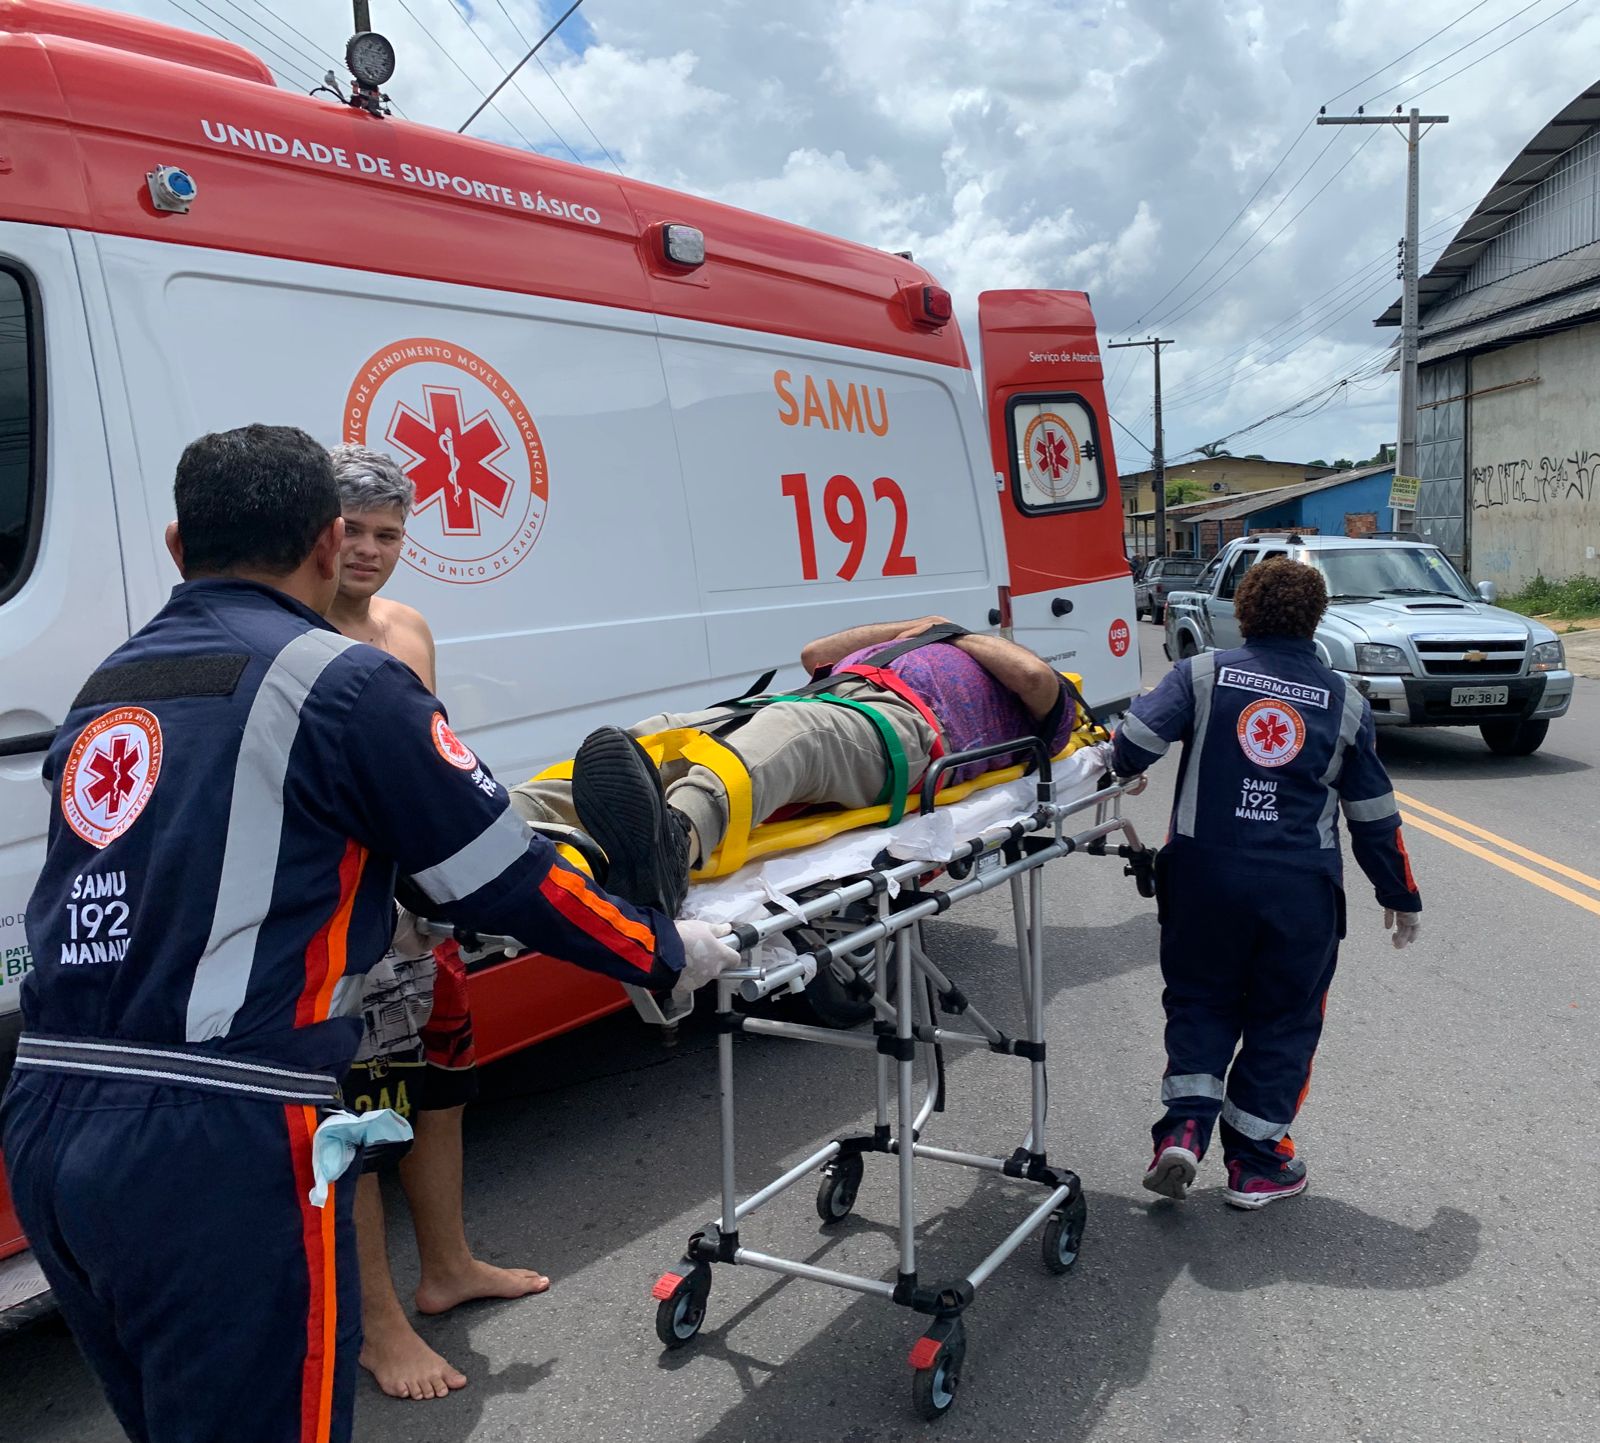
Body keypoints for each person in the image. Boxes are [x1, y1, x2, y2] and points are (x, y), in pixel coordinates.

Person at [0, 425, 730, 1443]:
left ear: (177, 544)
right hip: (219, 1129)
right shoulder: (339, 682)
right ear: (327, 538)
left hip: (45, 1114)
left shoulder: (109, 687)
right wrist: (663, 951)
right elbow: (500, 875)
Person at [325, 443, 546, 1404]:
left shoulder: (407, 625)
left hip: (426, 911)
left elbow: (435, 759)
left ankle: (447, 1266)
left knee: (443, 1090)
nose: (369, 550)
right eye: (352, 531)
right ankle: (380, 1323)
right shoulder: (291, 633)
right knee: (363, 1121)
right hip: (344, 924)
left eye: (388, 533)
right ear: (317, 532)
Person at [1106, 556, 1422, 1211]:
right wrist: (1398, 893)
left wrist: (1123, 764)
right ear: (1316, 620)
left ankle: (1186, 1128)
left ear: (1242, 613)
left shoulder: (1202, 675)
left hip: (1203, 882)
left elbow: (1133, 741)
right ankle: (1254, 1166)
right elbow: (1373, 813)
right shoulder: (1346, 702)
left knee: (1200, 1000)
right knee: (1285, 1019)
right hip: (1299, 896)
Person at [510, 617, 1081, 906]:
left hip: (907, 730)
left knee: (791, 737)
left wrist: (956, 632)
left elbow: (1033, 675)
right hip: (825, 695)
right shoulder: (920, 641)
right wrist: (923, 625)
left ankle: (671, 847)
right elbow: (816, 654)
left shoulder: (1037, 701)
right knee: (660, 738)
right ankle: (502, 821)